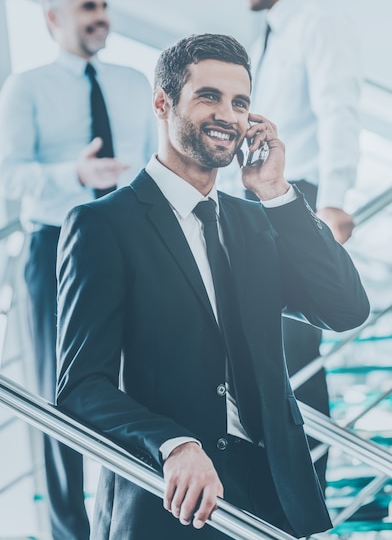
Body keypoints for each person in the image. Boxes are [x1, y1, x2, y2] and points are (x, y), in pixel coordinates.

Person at [55, 33, 369, 539]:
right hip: (170, 498)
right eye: (209, 96)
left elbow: (346, 308)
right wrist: (173, 443)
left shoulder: (258, 222)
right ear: (163, 102)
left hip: (275, 500)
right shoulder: (104, 226)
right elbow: (79, 388)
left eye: (240, 102)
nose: (228, 114)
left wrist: (277, 193)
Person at [0, 0, 157, 540]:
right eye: (86, 6)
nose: (100, 15)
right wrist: (75, 173)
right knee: (54, 394)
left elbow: (148, 165)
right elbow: (8, 177)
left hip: (130, 244)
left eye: (103, 4)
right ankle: (70, 533)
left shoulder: (136, 82)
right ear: (53, 19)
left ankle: (134, 522)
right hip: (54, 247)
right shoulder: (26, 87)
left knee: (141, 385)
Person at [233, 0, 363, 489]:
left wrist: (334, 202)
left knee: (296, 345)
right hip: (259, 199)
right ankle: (276, 476)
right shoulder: (268, 36)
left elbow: (339, 110)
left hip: (300, 197)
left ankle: (312, 479)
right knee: (265, 342)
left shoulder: (318, 23)